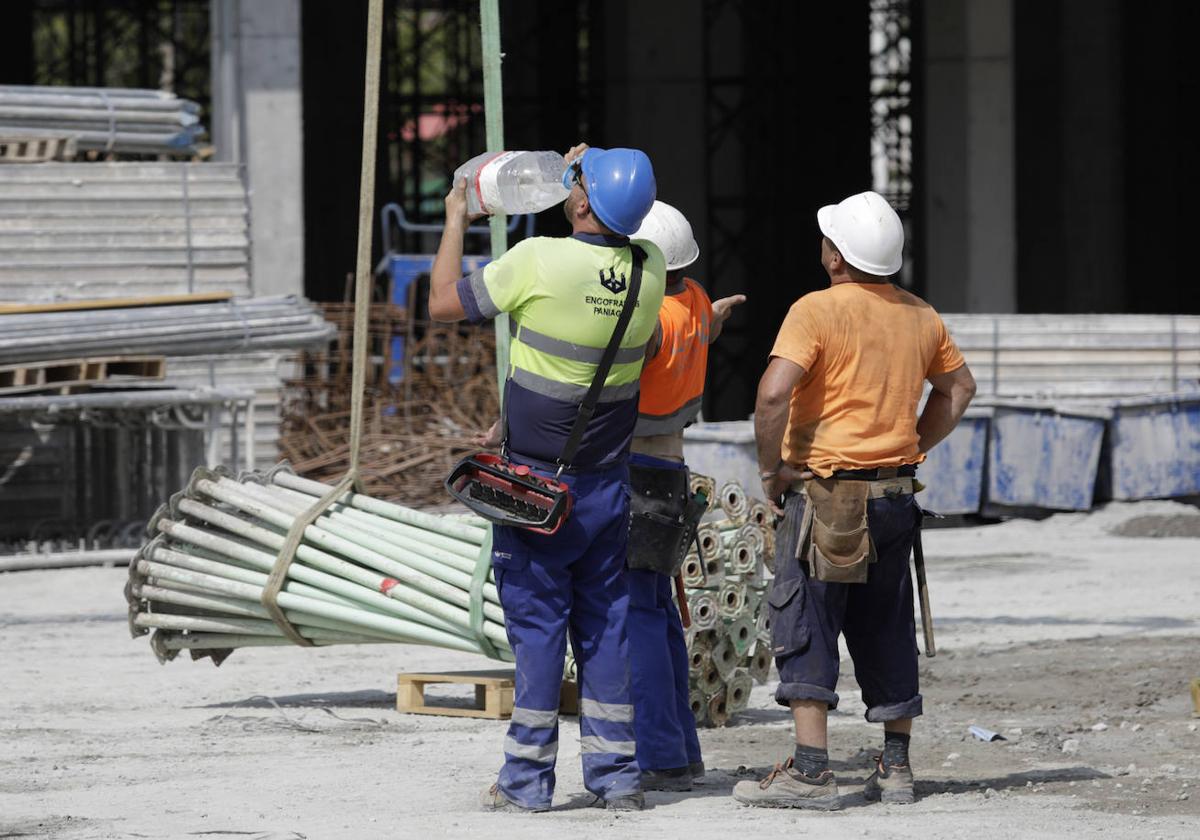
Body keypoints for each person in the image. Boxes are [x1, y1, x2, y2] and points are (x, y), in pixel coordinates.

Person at [428, 144, 665, 813]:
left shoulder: (538, 261)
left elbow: (445, 302)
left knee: (538, 630)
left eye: (578, 183)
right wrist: (584, 174)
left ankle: (527, 781)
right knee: (606, 626)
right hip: (605, 487)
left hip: (537, 493)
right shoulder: (651, 269)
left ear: (585, 201)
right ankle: (617, 778)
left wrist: (456, 216)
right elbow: (603, 360)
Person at [733, 190, 976, 810]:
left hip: (828, 497)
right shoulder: (921, 315)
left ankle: (811, 771)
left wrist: (773, 469)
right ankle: (896, 769)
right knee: (885, 622)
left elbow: (771, 395)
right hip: (895, 496)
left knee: (806, 615)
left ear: (835, 256)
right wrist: (911, 447)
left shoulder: (816, 310)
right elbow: (959, 389)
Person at [623, 200, 744, 791]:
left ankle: (661, 760)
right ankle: (679, 751)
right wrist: (712, 323)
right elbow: (687, 344)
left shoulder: (645, 315)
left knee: (635, 618)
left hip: (635, 472)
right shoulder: (693, 298)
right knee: (659, 613)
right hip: (672, 473)